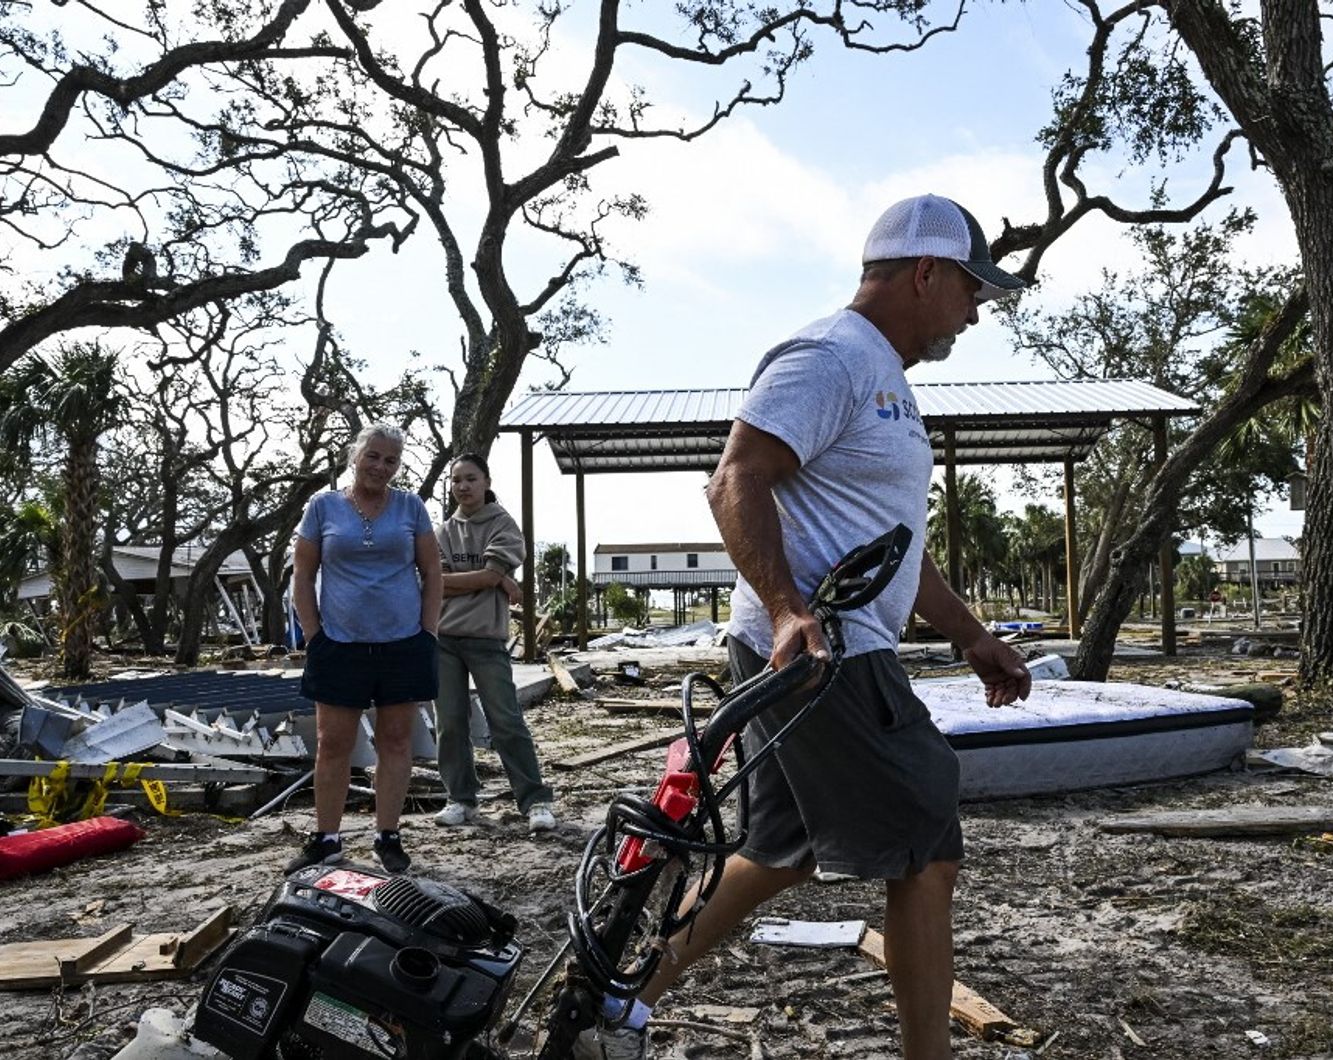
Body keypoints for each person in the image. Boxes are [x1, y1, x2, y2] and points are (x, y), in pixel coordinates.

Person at [582, 195, 1034, 1060]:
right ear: (925, 271)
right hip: (825, 652)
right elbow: (735, 479)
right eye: (971, 289)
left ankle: (614, 999)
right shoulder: (831, 356)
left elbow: (894, 549)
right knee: (928, 843)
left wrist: (971, 635)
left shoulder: (884, 376)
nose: (976, 312)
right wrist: (791, 610)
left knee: (781, 851)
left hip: (815, 647)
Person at [287, 423, 443, 875]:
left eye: (391, 460)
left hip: (403, 644)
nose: (380, 466)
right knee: (333, 743)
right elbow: (302, 576)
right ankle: (327, 839)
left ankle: (387, 835)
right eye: (373, 456)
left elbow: (432, 571)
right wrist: (313, 634)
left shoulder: (411, 507)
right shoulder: (323, 507)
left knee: (396, 741)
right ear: (356, 456)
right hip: (339, 645)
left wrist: (427, 631)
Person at [432, 453, 556, 832]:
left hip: (486, 639)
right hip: (444, 639)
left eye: (470, 479)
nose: (463, 487)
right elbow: (432, 580)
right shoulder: (442, 531)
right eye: (456, 480)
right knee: (449, 723)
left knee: (505, 720)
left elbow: (454, 580)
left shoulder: (503, 525)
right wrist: (492, 577)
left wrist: (488, 577)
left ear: (486, 481)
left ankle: (535, 801)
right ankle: (461, 799)